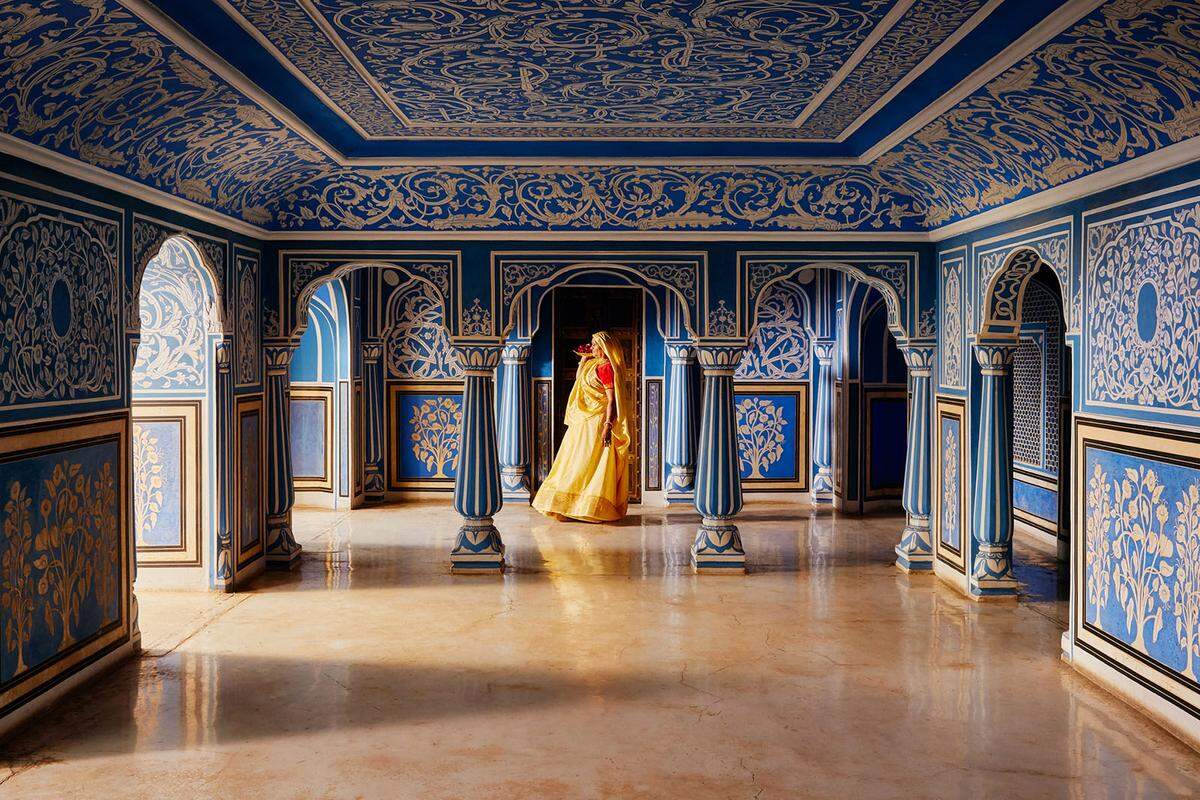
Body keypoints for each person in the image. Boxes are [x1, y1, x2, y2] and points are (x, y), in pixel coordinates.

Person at [532, 330, 630, 522]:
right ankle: (568, 506)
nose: (591, 347)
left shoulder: (607, 368)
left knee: (590, 460)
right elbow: (579, 379)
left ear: (604, 348)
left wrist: (608, 425)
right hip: (582, 421)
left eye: (595, 345)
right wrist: (583, 361)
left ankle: (591, 507)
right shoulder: (593, 363)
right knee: (574, 459)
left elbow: (612, 401)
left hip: (597, 421)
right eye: (592, 344)